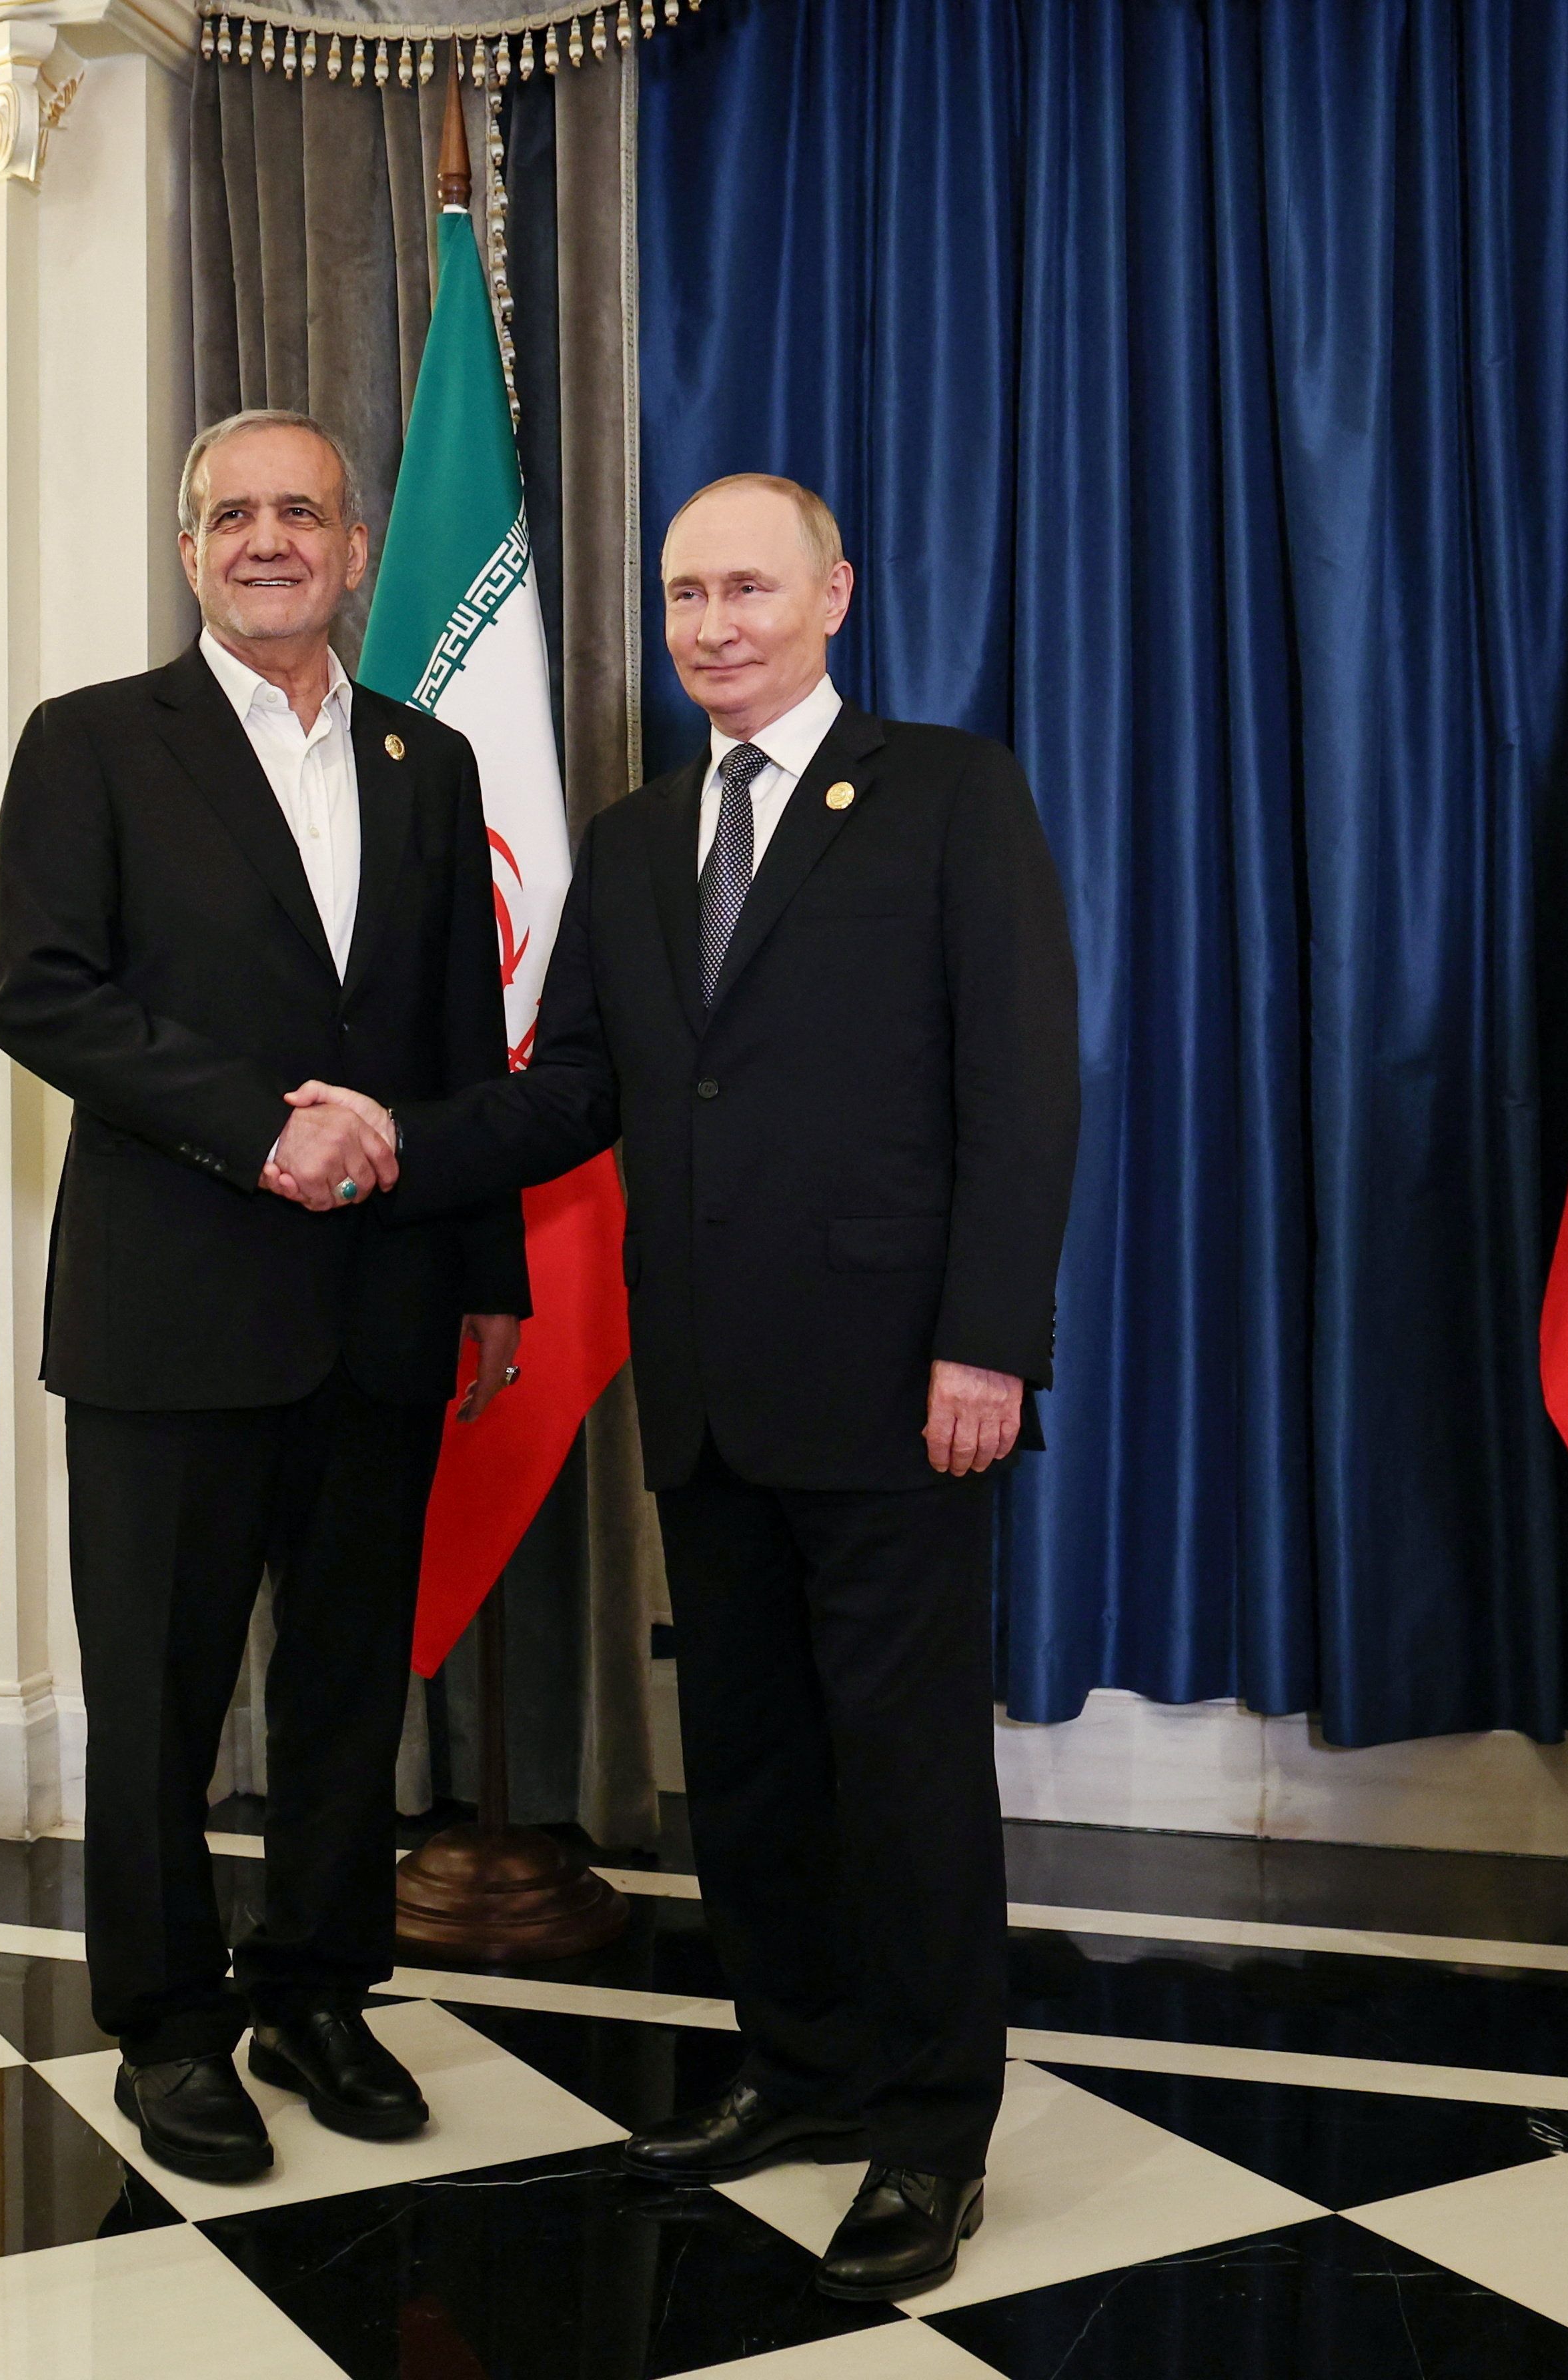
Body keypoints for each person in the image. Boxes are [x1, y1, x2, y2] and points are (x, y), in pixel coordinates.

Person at [279, 474, 1079, 2299]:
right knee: (754, 1767)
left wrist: (987, 1340)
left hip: (898, 1387)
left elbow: (1023, 1090)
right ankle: (799, 2073)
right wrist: (399, 1133)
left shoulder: (949, 794)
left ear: (831, 597)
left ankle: (929, 2134)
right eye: (680, 594)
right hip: (708, 1394)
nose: (709, 623)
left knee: (904, 1776)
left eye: (744, 588)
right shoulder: (638, 845)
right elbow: (567, 1093)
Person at [0, 409, 529, 2185]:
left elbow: (461, 1038)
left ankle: (315, 1988)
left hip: (382, 1308)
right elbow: (41, 995)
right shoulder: (89, 747)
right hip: (170, 1308)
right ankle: (164, 2026)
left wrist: (490, 1274)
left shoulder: (424, 762)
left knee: (344, 1692)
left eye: (301, 510)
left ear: (356, 548)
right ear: (188, 548)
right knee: (156, 1695)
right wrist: (255, 1132)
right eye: (233, 514)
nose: (268, 537)